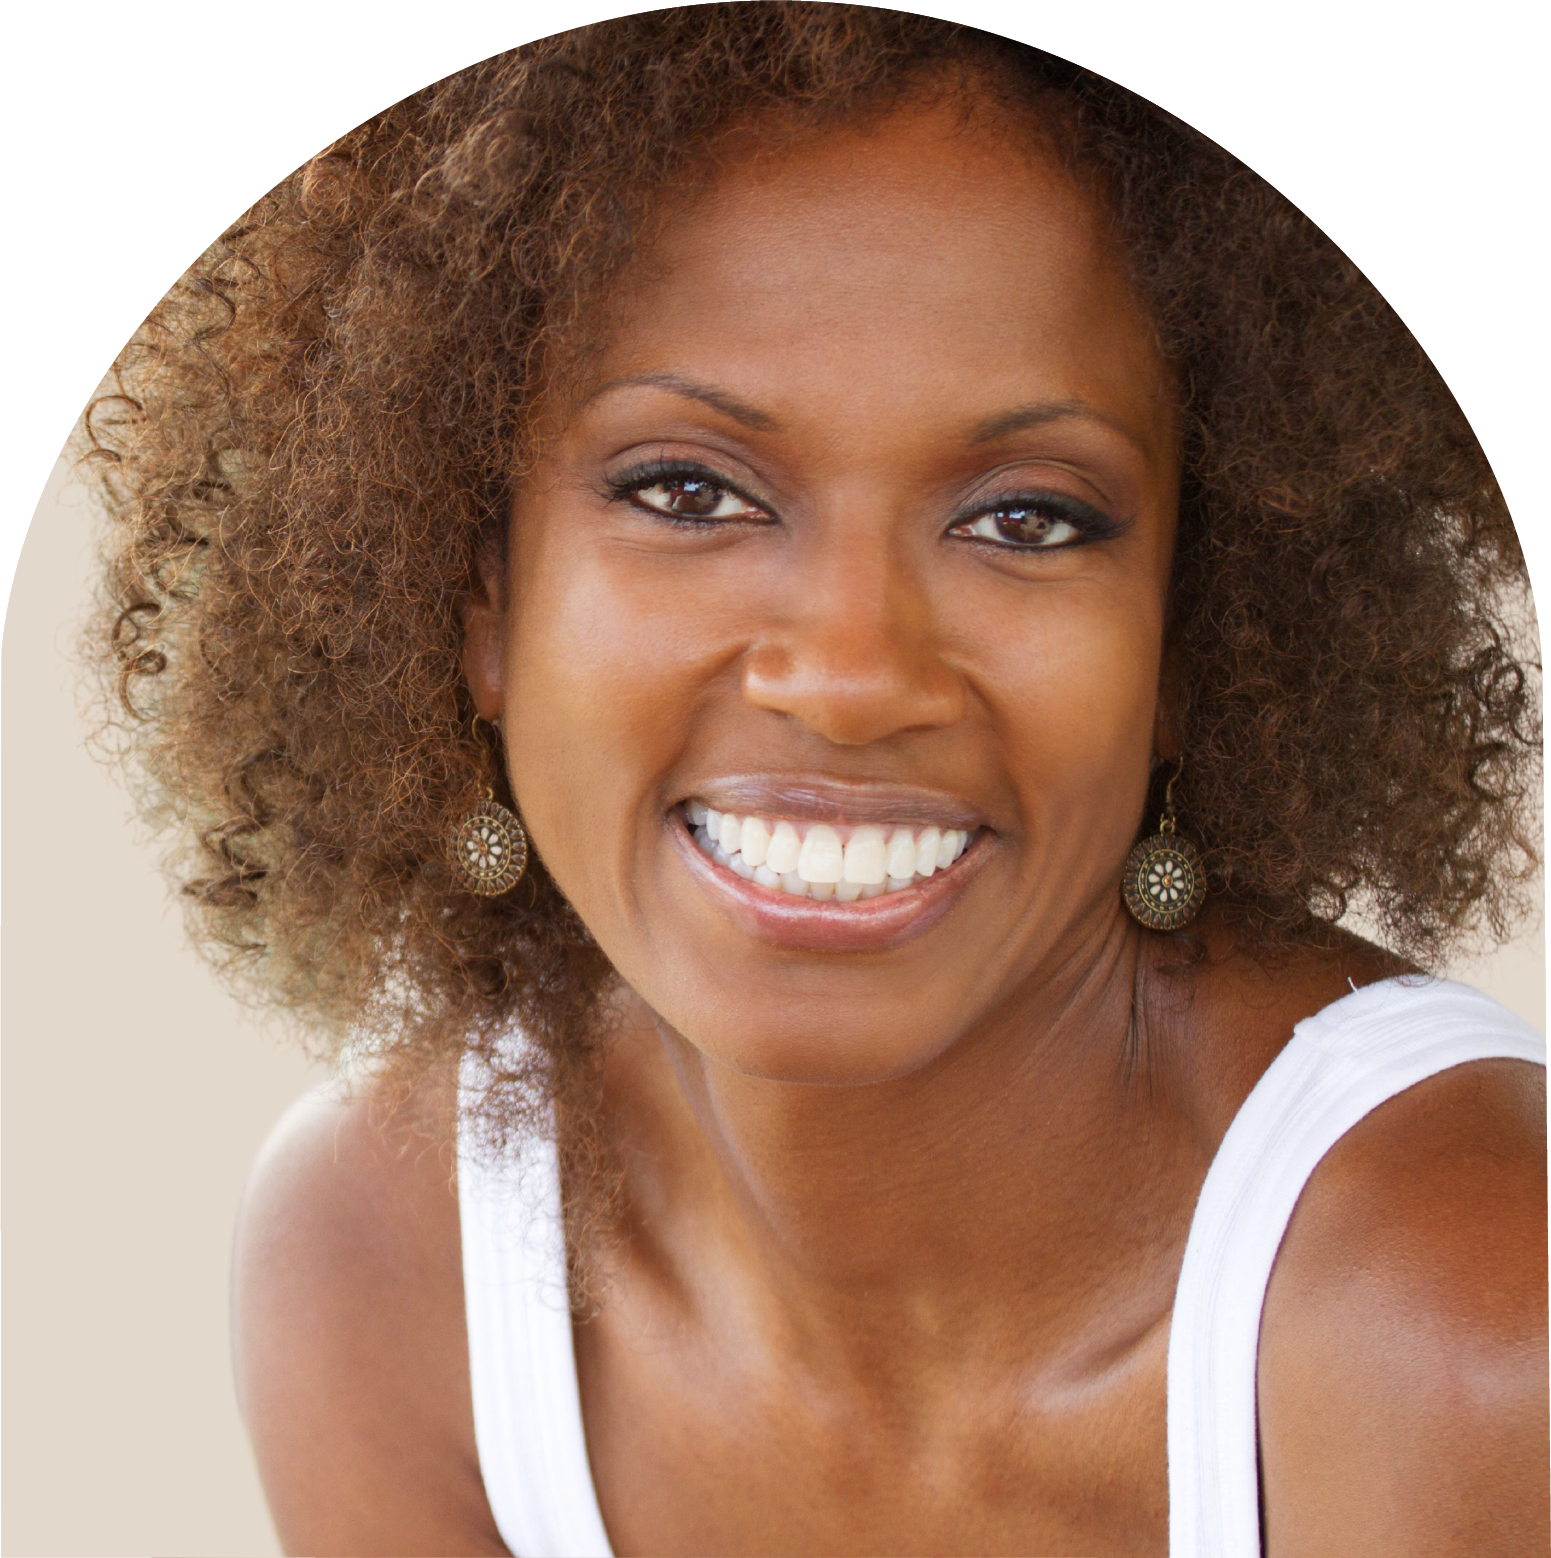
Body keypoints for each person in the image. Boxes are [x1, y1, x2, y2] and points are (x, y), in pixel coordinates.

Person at [80, 5, 1546, 1554]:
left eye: (1026, 518)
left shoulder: (1455, 1310)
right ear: (476, 596)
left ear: (1191, 630)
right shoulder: (389, 1259)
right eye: (688, 489)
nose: (849, 677)